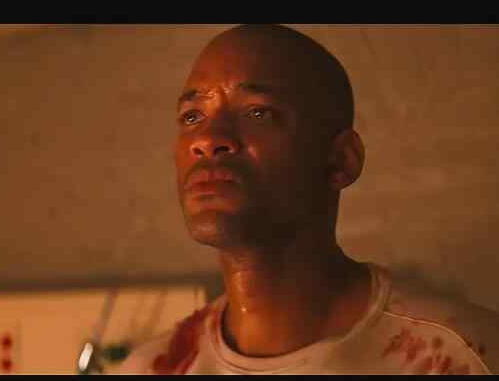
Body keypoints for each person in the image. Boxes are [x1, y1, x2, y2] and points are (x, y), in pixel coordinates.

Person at [118, 24, 499, 375]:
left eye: (257, 112)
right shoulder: (152, 370)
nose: (206, 138)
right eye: (192, 116)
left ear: (340, 160)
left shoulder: (459, 358)